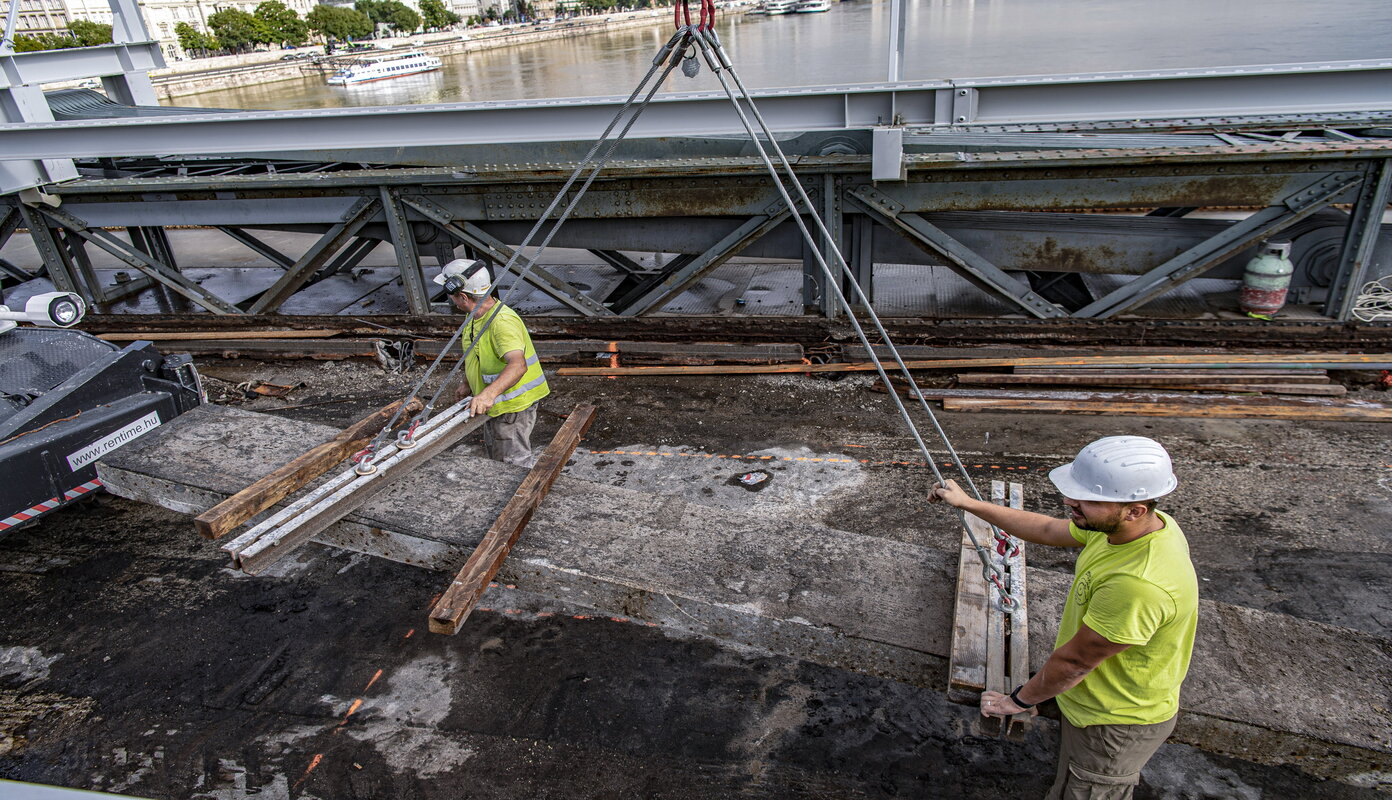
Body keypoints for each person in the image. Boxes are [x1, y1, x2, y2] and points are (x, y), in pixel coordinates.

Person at [929, 435, 1197, 799]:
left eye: (1087, 498)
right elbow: (1046, 529)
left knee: (1084, 789)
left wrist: (1020, 699)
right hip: (1095, 697)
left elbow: (1074, 662)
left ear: (1135, 509)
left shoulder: (1138, 585)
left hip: (1113, 723)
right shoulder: (1133, 527)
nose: (1070, 502)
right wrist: (969, 504)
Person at [435, 259, 550, 468]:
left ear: (462, 296)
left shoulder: (501, 322)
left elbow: (518, 365)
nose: (451, 301)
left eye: (452, 296)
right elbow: (478, 355)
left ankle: (522, 499)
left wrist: (487, 394)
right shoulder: (476, 315)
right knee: (498, 455)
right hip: (496, 402)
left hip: (513, 405)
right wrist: (468, 383)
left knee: (513, 463)